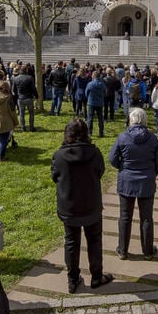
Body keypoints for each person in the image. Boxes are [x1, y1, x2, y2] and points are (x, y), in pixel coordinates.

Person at [50, 118, 113, 293]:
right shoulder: (94, 152)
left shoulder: (59, 155)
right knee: (94, 240)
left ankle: (73, 278)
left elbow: (55, 176)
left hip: (69, 206)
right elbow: (100, 172)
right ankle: (96, 276)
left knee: (71, 242)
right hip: (90, 204)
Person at [109, 108, 158, 260]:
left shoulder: (122, 137)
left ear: (130, 120)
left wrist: (123, 167)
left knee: (125, 217)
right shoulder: (152, 138)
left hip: (127, 181)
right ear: (145, 120)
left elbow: (112, 158)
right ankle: (147, 251)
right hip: (146, 182)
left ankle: (122, 250)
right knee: (146, 218)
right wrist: (151, 173)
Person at [12, 64, 38, 132]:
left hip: (20, 98)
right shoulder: (30, 78)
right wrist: (36, 96)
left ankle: (23, 127)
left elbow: (13, 90)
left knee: (21, 113)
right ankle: (31, 127)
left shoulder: (15, 78)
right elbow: (33, 88)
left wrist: (17, 95)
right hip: (29, 97)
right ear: (26, 70)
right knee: (31, 113)